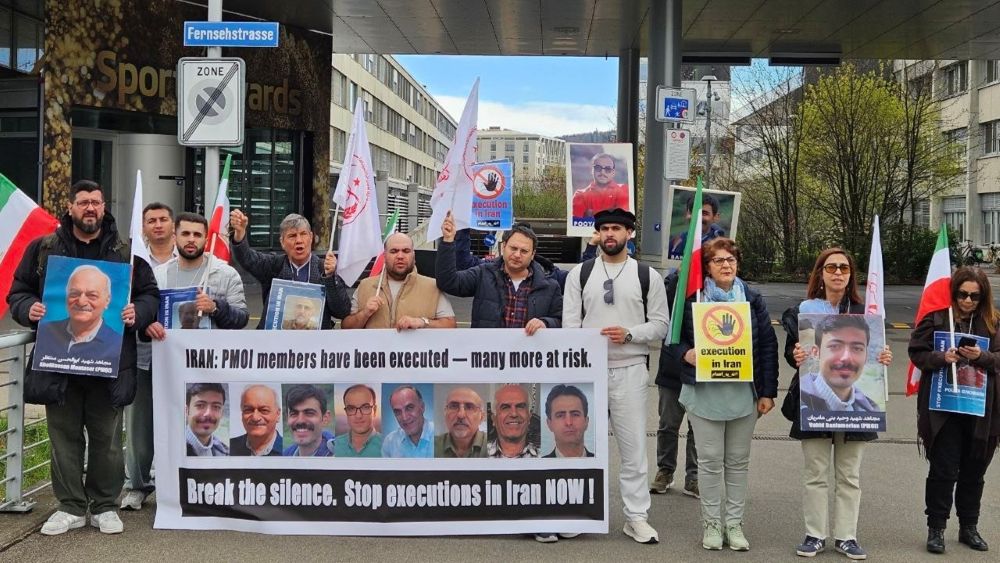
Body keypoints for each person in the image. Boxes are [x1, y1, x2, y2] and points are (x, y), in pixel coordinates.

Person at [8, 179, 159, 536]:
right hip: (58, 364)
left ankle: (105, 505)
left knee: (107, 440)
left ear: (104, 207)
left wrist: (138, 311)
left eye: (96, 202)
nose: (90, 208)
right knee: (63, 438)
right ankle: (71, 506)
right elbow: (18, 291)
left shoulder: (126, 253)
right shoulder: (43, 249)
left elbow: (150, 295)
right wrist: (30, 308)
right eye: (83, 202)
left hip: (109, 365)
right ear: (70, 207)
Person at [123, 212, 249, 510]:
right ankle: (138, 486)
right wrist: (145, 325)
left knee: (203, 425)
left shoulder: (224, 274)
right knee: (142, 425)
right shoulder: (157, 274)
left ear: (206, 239)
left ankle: (205, 483)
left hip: (205, 367)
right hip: (155, 363)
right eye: (186, 234)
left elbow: (242, 318)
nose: (191, 240)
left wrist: (217, 308)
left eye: (197, 235)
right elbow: (142, 310)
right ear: (175, 237)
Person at [664, 237, 778, 551]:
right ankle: (712, 524)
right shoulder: (691, 300)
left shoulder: (752, 299)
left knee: (738, 462)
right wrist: (686, 354)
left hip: (743, 393)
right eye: (718, 261)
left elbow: (768, 345)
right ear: (707, 267)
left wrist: (768, 391)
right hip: (705, 393)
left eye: (730, 260)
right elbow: (671, 342)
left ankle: (734, 524)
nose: (725, 265)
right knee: (710, 462)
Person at [563, 208, 668, 544]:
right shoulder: (579, 274)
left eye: (617, 229)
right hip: (587, 371)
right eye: (605, 228)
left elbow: (661, 326)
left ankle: (636, 517)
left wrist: (630, 333)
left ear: (630, 234)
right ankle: (578, 512)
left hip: (630, 368)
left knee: (633, 447)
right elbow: (569, 326)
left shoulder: (646, 275)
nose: (610, 234)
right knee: (578, 445)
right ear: (598, 234)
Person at [782, 248, 892, 560]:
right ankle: (815, 534)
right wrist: (796, 355)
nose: (838, 272)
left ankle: (846, 536)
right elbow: (794, 355)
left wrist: (883, 358)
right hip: (813, 401)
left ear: (851, 275)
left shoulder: (864, 310)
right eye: (831, 267)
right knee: (815, 472)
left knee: (849, 474)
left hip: (856, 404)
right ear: (821, 273)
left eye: (844, 267)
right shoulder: (803, 311)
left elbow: (872, 355)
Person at [908, 266, 1000, 554]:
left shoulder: (994, 323)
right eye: (962, 294)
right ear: (954, 293)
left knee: (974, 470)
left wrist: (982, 356)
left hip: (981, 410)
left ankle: (968, 527)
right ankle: (936, 527)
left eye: (975, 296)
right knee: (944, 469)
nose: (968, 301)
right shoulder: (936, 319)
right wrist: (940, 356)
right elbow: (917, 351)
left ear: (983, 296)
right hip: (944, 408)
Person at [437, 214, 561, 332]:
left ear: (533, 254)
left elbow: (561, 321)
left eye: (524, 251)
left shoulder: (550, 287)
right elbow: (448, 282)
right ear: (504, 247)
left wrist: (546, 323)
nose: (517, 255)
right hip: (488, 353)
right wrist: (448, 241)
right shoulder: (482, 274)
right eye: (513, 248)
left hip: (528, 354)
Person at [229, 209, 350, 329]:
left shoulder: (324, 268)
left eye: (303, 234)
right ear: (282, 242)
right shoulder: (273, 266)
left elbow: (342, 311)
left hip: (315, 345)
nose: (299, 240)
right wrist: (240, 234)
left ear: (311, 237)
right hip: (274, 343)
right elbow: (247, 258)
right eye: (292, 236)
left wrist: (330, 277)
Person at [342, 232, 457, 330]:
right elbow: (346, 327)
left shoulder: (432, 287)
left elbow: (451, 325)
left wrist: (423, 322)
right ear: (385, 256)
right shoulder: (365, 286)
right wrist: (364, 314)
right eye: (394, 251)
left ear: (413, 255)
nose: (400, 256)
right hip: (374, 356)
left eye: (406, 251)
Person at [32, 265, 122, 368]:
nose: (81, 302)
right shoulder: (46, 331)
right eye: (75, 294)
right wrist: (29, 308)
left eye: (92, 295)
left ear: (107, 300)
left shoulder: (116, 343)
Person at [799, 315, 881, 413]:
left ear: (866, 356)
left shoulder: (871, 411)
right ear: (816, 352)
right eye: (835, 346)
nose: (846, 358)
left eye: (857, 348)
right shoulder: (798, 399)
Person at [571, 153, 630, 220]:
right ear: (591, 170)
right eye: (598, 168)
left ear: (613, 172)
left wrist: (591, 216)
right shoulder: (580, 195)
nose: (602, 172)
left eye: (607, 169)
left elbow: (623, 222)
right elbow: (577, 225)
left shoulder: (624, 190)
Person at [381, 385, 434, 458]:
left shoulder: (437, 436)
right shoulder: (390, 443)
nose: (404, 418)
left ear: (422, 407)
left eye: (409, 408)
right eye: (398, 412)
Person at [487, 384, 538, 458]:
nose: (514, 414)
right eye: (505, 407)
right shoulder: (480, 455)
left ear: (529, 417)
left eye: (520, 407)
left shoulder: (543, 458)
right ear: (494, 419)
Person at [668, 193, 725, 260]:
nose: (698, 218)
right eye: (694, 212)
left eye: (704, 213)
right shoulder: (675, 242)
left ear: (716, 217)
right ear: (687, 214)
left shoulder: (721, 245)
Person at [230, 385, 282, 456]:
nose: (255, 417)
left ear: (278, 415)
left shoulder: (287, 452)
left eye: (264, 410)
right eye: (248, 410)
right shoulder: (229, 448)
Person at [543, 384, 593, 458]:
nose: (569, 422)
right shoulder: (536, 466)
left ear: (586, 421)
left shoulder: (601, 462)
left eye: (575, 414)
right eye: (560, 415)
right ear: (549, 424)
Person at [283, 385, 334, 457]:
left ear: (325, 418)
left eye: (309, 413)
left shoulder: (341, 456)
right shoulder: (283, 457)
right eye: (294, 414)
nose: (300, 421)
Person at [435, 387, 487, 458]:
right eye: (453, 406)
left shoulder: (493, 447)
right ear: (445, 413)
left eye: (469, 407)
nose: (461, 415)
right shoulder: (432, 446)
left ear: (482, 417)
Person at [334, 384, 382, 457]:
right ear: (346, 412)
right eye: (351, 409)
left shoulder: (387, 446)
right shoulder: (335, 445)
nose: (358, 416)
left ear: (374, 411)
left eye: (365, 407)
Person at [185, 383, 229, 456]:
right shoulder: (173, 448)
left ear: (222, 413)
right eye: (200, 405)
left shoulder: (226, 453)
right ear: (186, 410)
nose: (208, 413)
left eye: (216, 407)